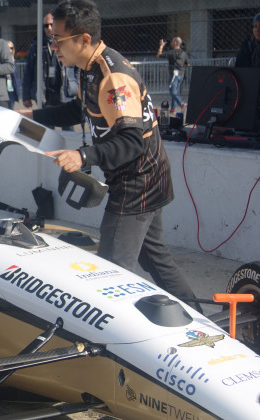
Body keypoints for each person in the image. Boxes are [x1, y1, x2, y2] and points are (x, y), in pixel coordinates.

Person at [17, 0, 202, 312]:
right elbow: (79, 110)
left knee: (112, 271)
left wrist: (83, 156)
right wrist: (31, 115)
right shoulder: (89, 69)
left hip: (138, 181)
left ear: (84, 40)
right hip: (141, 177)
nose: (54, 47)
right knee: (155, 259)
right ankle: (200, 323)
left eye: (58, 40)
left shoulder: (113, 77)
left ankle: (120, 345)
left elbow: (133, 141)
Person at [22, 13, 75, 130]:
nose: (49, 28)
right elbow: (28, 71)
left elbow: (77, 67)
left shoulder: (68, 43)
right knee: (46, 130)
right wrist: (26, 95)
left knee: (68, 128)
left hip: (64, 93)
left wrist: (76, 86)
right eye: (46, 25)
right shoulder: (37, 45)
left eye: (52, 25)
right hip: (46, 95)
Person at [158, 36, 189, 114]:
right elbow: (187, 64)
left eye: (172, 41)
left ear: (175, 43)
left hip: (174, 75)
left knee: (173, 92)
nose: (170, 43)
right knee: (175, 91)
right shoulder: (184, 53)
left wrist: (161, 46)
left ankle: (181, 103)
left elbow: (159, 55)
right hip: (181, 74)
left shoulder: (171, 53)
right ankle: (173, 109)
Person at [5, 41, 20, 110]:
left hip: (10, 87)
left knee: (11, 108)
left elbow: (15, 77)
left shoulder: (13, 60)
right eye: (8, 48)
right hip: (3, 88)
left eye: (11, 48)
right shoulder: (1, 59)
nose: (9, 50)